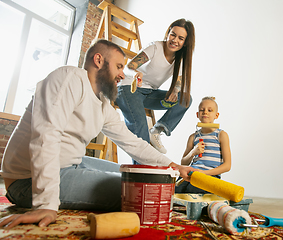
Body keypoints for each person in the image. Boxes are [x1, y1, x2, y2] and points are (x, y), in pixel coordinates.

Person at [0, 39, 193, 229]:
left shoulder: (103, 103)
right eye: (118, 66)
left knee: (128, 175)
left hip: (71, 164)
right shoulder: (69, 78)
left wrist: (172, 166)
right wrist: (46, 204)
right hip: (26, 181)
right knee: (136, 192)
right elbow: (46, 136)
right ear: (99, 60)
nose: (121, 74)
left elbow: (133, 143)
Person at [115, 18, 195, 157]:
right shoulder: (155, 47)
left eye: (180, 38)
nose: (175, 40)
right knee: (141, 132)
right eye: (173, 34)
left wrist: (175, 91)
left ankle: (157, 130)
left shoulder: (180, 59)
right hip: (130, 88)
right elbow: (129, 67)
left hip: (149, 93)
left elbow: (179, 81)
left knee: (185, 99)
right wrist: (136, 73)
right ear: (168, 33)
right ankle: (140, 170)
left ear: (185, 43)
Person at [175, 97, 231, 194]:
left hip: (210, 175)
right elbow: (183, 163)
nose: (205, 112)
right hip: (192, 173)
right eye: (202, 110)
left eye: (210, 110)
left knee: (192, 190)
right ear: (197, 114)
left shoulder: (221, 135)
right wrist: (193, 152)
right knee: (175, 189)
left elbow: (227, 166)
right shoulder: (193, 137)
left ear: (216, 115)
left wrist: (204, 173)